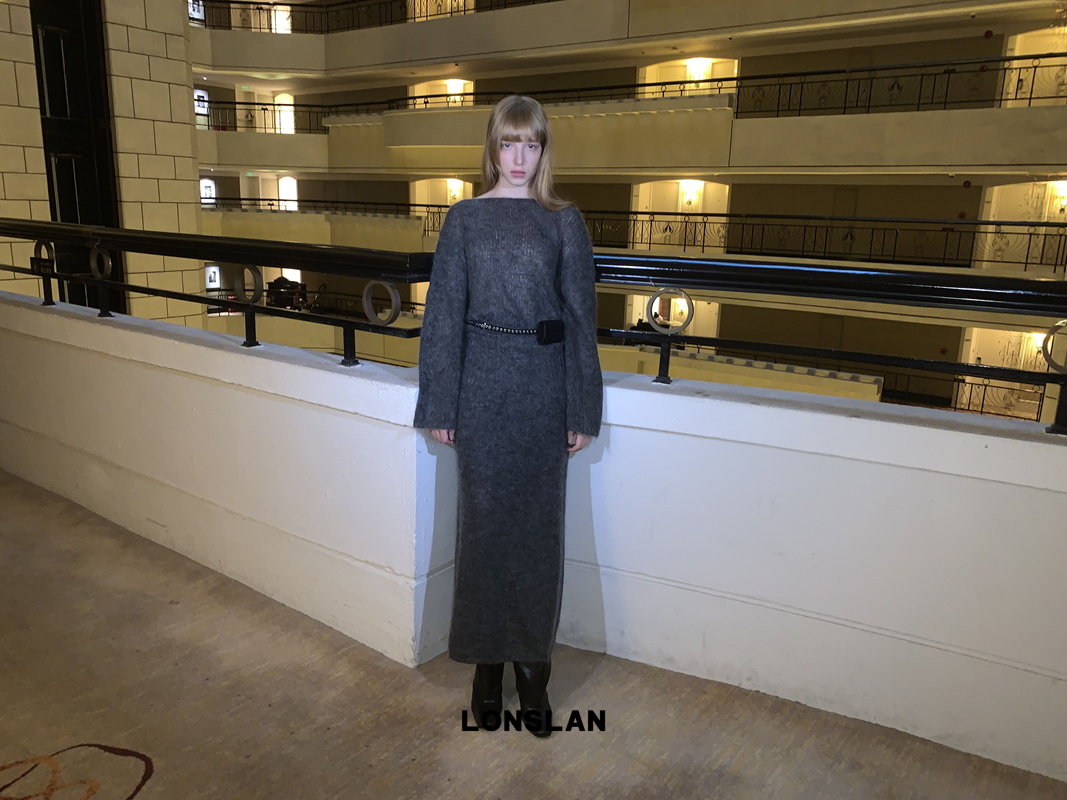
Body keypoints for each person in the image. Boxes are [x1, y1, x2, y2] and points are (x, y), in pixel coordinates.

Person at [412, 95, 603, 738]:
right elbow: (442, 316)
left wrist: (582, 408)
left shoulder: (563, 221)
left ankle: (533, 673)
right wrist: (441, 402)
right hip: (482, 391)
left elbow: (581, 320)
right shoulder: (463, 219)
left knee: (538, 537)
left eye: (531, 145)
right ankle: (486, 670)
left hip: (544, 393)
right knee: (484, 533)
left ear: (543, 151)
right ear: (492, 148)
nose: (519, 158)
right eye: (508, 143)